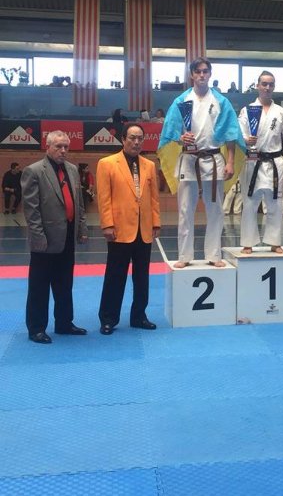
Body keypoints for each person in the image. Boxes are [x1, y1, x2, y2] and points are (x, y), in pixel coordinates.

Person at [158, 57, 245, 268]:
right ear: (192, 75)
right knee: (185, 210)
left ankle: (214, 255)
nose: (202, 75)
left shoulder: (221, 101)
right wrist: (181, 138)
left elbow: (231, 134)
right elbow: (170, 130)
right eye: (198, 71)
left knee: (215, 209)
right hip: (188, 159)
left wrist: (230, 162)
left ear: (210, 74)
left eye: (205, 71)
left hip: (213, 159)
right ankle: (184, 256)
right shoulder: (181, 101)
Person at [21, 130, 88, 343]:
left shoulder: (72, 170)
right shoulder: (33, 171)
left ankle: (64, 323)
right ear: (47, 146)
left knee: (65, 284)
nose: (63, 150)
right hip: (45, 239)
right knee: (39, 286)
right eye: (59, 146)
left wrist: (82, 229)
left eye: (66, 146)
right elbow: (31, 210)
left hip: (67, 236)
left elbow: (79, 203)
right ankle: (36, 328)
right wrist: (38, 238)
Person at [96, 123, 161, 335]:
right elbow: (104, 198)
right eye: (132, 138)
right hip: (119, 229)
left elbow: (154, 198)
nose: (136, 142)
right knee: (115, 276)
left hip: (144, 229)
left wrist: (156, 222)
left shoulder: (149, 165)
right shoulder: (107, 163)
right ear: (123, 139)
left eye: (140, 138)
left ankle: (139, 316)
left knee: (142, 277)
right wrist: (107, 224)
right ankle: (108, 318)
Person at [238, 71, 283, 254]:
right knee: (249, 203)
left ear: (274, 87)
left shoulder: (281, 112)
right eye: (264, 84)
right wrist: (246, 140)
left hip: (274, 162)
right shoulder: (247, 110)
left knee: (275, 203)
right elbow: (239, 134)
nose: (267, 87)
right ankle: (248, 242)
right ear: (257, 86)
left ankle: (275, 242)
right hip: (252, 161)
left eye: (271, 84)